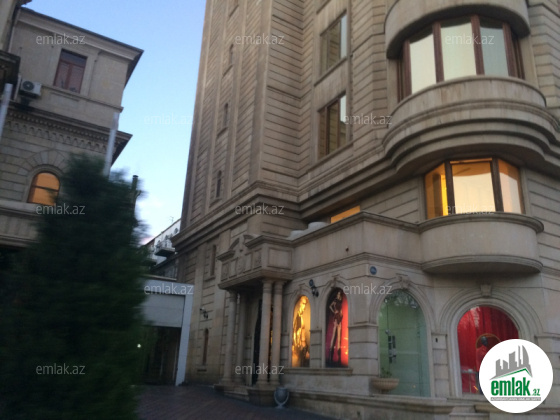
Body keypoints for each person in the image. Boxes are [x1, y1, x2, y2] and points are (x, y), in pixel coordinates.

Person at [328, 290, 343, 365]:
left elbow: (341, 311)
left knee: (339, 338)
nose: (338, 295)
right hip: (336, 318)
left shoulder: (340, 301)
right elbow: (330, 306)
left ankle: (339, 358)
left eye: (339, 294)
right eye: (338, 294)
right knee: (334, 336)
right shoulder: (335, 301)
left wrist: (341, 314)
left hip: (339, 318)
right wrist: (334, 311)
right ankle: (330, 356)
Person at [293, 298, 309, 366]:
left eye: (305, 304)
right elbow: (295, 332)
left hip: (302, 348)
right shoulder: (297, 317)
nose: (304, 307)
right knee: (297, 363)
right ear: (299, 303)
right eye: (303, 304)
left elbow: (302, 335)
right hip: (297, 347)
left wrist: (306, 349)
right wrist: (295, 346)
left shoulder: (301, 317)